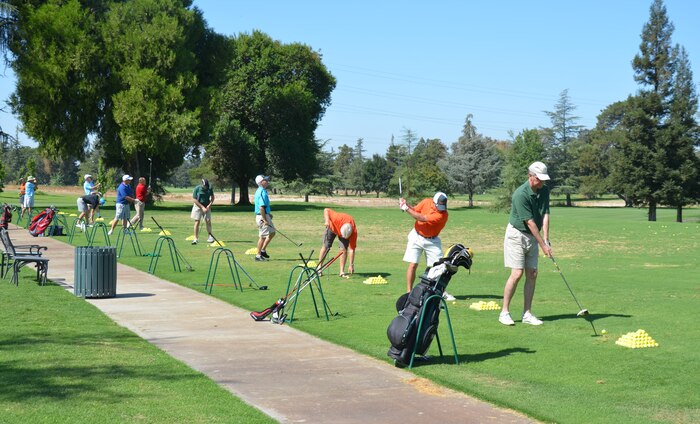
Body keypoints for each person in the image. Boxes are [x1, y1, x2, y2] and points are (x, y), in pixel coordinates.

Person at [499, 161, 553, 327]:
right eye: (539, 179)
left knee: (532, 273)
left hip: (533, 235)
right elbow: (529, 222)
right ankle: (504, 312)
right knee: (517, 273)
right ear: (531, 176)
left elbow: (545, 214)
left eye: (544, 179)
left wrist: (546, 239)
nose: (542, 182)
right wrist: (543, 246)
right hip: (517, 235)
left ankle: (527, 313)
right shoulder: (520, 194)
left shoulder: (544, 190)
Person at [400, 191, 454, 301]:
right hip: (416, 236)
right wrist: (406, 205)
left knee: (438, 268)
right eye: (439, 205)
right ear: (433, 202)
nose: (441, 208)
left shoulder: (442, 215)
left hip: (432, 241)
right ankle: (409, 292)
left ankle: (440, 291)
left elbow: (421, 218)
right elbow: (415, 210)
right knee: (413, 264)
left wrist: (406, 208)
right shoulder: (426, 202)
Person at [317, 208, 357, 277]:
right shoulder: (336, 218)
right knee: (326, 247)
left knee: (343, 250)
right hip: (332, 227)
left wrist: (351, 265)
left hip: (344, 230)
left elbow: (352, 249)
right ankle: (319, 268)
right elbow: (326, 210)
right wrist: (327, 221)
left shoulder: (353, 232)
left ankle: (341, 271)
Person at [254, 174, 276, 261]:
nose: (267, 181)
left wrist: (268, 214)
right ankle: (258, 255)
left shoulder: (262, 190)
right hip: (262, 217)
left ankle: (262, 250)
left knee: (272, 232)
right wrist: (265, 219)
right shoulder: (261, 191)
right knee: (262, 236)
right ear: (260, 182)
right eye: (265, 180)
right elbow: (261, 207)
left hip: (265, 215)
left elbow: (264, 207)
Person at [191, 178, 215, 245]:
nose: (206, 187)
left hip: (206, 205)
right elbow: (194, 200)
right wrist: (202, 207)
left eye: (207, 186)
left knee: (208, 221)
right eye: (205, 186)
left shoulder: (209, 188)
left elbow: (212, 198)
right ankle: (195, 238)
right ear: (202, 185)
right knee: (197, 221)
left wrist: (209, 206)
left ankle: (210, 237)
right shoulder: (197, 189)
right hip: (197, 205)